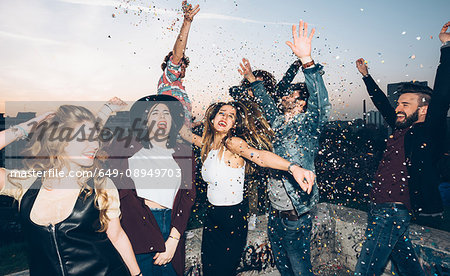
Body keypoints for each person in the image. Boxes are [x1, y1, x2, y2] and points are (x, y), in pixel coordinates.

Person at [353, 22, 450, 276]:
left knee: (364, 271)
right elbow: (384, 104)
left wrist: (446, 46)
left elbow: (442, 94)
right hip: (378, 206)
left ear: (424, 109)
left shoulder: (428, 130)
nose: (398, 108)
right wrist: (366, 76)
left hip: (393, 210)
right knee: (407, 267)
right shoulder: (400, 130)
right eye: (399, 103)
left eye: (406, 104)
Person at [0, 105, 141, 276]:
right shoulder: (26, 183)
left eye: (95, 138)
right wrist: (26, 127)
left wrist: (137, 274)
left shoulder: (100, 184)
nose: (95, 145)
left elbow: (117, 236)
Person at [181, 100, 316, 276]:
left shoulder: (233, 144)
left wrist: (293, 168)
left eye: (231, 116)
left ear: (234, 124)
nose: (225, 117)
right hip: (211, 216)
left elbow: (260, 157)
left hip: (232, 218)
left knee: (222, 271)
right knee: (209, 270)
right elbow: (184, 133)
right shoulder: (207, 144)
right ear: (213, 119)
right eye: (222, 113)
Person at [243, 20, 330, 276]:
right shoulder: (279, 121)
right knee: (282, 264)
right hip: (276, 212)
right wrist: (251, 80)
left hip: (296, 212)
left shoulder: (309, 123)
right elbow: (268, 105)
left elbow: (322, 103)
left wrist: (307, 61)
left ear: (302, 103)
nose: (284, 96)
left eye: (291, 94)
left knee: (300, 267)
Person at [102, 95, 196, 276]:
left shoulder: (184, 152)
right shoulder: (124, 146)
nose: (162, 117)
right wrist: (106, 110)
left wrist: (174, 239)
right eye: (155, 113)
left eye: (166, 113)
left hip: (171, 224)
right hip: (136, 225)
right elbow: (90, 142)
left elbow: (188, 196)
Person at [158, 0, 200, 124]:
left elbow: (183, 122)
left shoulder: (180, 88)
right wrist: (187, 23)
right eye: (179, 64)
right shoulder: (168, 80)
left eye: (184, 66)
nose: (181, 68)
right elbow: (177, 54)